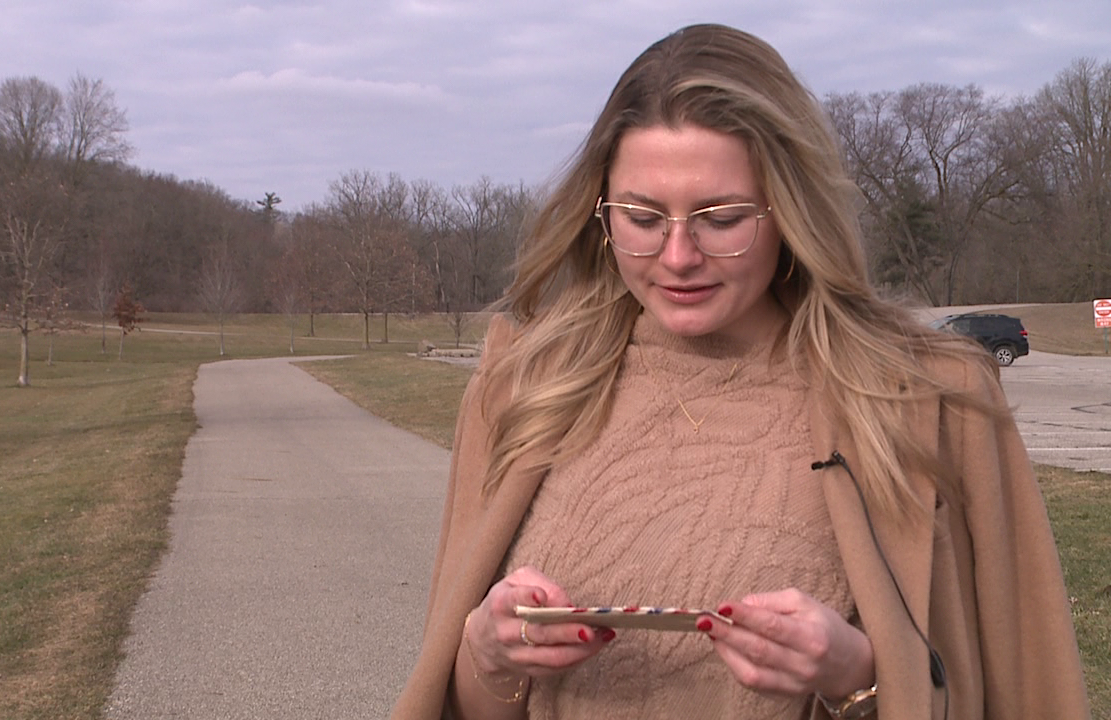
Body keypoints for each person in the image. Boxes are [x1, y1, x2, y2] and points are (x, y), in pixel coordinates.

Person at [391, 23, 1090, 720]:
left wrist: (856, 677)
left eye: (721, 219)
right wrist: (489, 655)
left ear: (790, 211)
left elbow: (1025, 692)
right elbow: (460, 701)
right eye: (640, 217)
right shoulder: (524, 386)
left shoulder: (932, 399)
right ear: (599, 215)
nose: (677, 256)